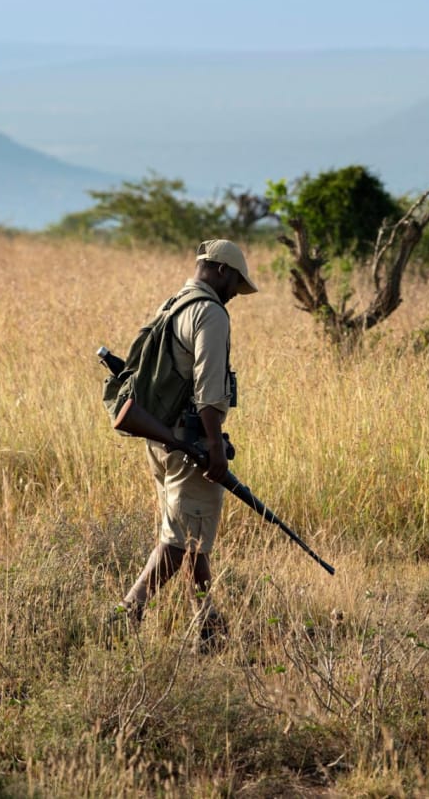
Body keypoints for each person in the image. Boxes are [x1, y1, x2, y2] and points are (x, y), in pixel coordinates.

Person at [114, 239, 259, 653]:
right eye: (235, 283)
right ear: (222, 271)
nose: (235, 293)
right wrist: (213, 445)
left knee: (191, 534)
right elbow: (209, 388)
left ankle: (208, 625)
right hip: (189, 441)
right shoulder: (210, 312)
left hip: (162, 439)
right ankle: (126, 612)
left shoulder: (173, 304)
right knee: (179, 542)